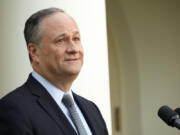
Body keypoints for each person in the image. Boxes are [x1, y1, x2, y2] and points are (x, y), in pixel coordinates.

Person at [0, 8, 108, 135]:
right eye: (61, 40)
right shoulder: (13, 109)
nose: (73, 49)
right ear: (34, 52)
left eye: (76, 38)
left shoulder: (91, 109)